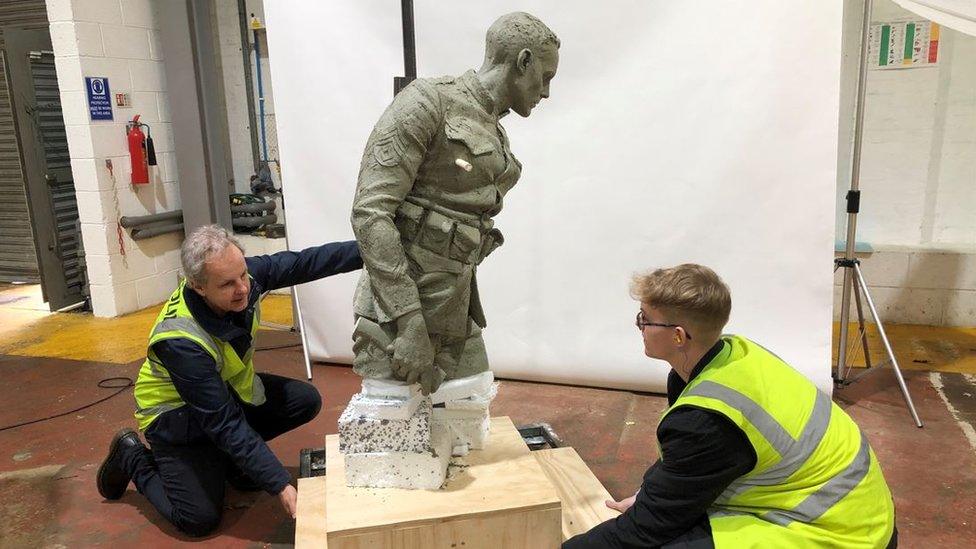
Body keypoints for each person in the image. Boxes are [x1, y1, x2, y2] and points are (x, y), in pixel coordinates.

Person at [564, 264, 897, 548]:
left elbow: (647, 527)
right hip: (855, 514)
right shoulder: (730, 356)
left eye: (645, 319)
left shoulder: (704, 420)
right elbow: (683, 468)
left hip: (839, 535)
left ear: (678, 336)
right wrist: (651, 492)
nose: (639, 327)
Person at [95, 225, 361, 537]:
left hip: (224, 394)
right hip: (176, 418)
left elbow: (306, 262)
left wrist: (368, 249)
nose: (243, 289)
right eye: (227, 284)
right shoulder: (181, 340)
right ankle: (133, 457)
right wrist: (280, 485)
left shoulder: (242, 279)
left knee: (303, 400)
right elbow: (224, 423)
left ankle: (234, 464)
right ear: (198, 286)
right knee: (198, 519)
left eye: (243, 275)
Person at [350, 12, 559, 395]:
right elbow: (370, 212)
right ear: (523, 61)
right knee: (394, 423)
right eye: (545, 77)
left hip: (456, 304)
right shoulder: (428, 102)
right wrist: (408, 319)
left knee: (470, 405)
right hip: (399, 312)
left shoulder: (494, 128)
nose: (545, 92)